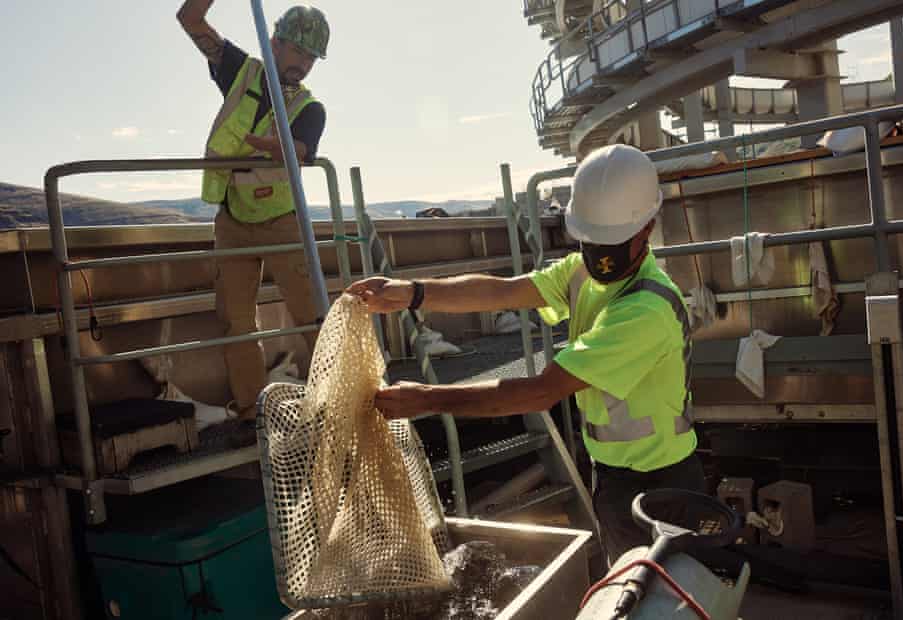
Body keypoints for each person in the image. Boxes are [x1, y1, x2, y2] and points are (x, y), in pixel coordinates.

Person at [348, 145, 705, 562]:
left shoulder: (646, 310)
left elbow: (540, 392)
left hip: (662, 486)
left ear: (647, 228)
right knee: (629, 583)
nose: (598, 255)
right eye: (590, 240)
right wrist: (412, 293)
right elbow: (502, 290)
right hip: (613, 474)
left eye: (610, 242)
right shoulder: (581, 272)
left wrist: (428, 399)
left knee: (662, 598)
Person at [177, 1, 329, 420]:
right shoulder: (241, 72)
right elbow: (190, 19)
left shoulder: (310, 109)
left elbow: (298, 149)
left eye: (312, 57)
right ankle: (251, 414)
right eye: (298, 51)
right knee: (236, 324)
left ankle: (335, 406)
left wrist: (275, 148)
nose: (304, 64)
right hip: (233, 221)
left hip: (283, 223)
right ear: (274, 43)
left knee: (312, 318)